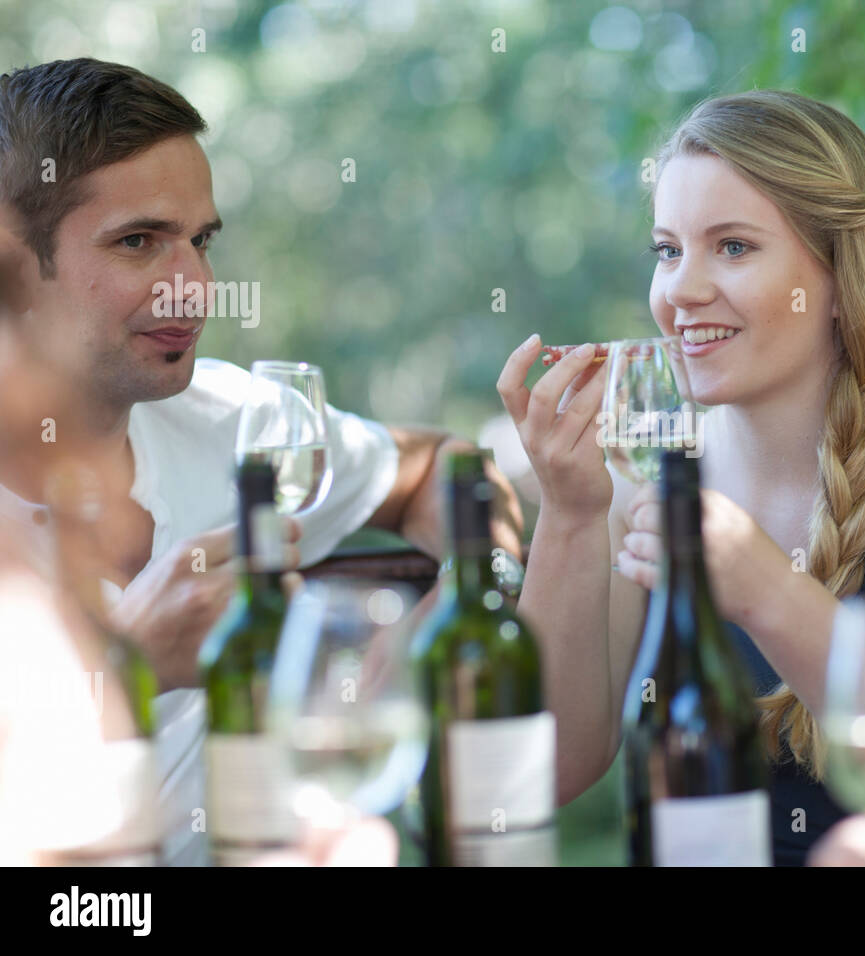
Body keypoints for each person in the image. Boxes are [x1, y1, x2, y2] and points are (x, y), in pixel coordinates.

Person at [498, 90, 865, 864]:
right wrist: (567, 513)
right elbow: (547, 772)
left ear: (840, 275)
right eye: (668, 250)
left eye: (732, 246)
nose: (682, 291)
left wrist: (770, 594)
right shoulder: (645, 479)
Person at [0, 57, 523, 865]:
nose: (194, 288)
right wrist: (126, 669)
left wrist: (458, 614)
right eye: (138, 242)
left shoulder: (244, 425)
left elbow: (449, 469)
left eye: (201, 241)